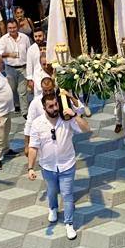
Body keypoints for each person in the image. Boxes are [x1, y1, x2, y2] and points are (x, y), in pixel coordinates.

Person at [27, 93, 91, 240]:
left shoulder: (66, 119)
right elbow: (33, 147)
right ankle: (53, 208)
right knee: (51, 190)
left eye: (56, 104)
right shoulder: (38, 124)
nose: (55, 108)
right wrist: (30, 168)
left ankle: (69, 224)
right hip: (48, 167)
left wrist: (75, 115)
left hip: (67, 165)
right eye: (51, 106)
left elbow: (87, 129)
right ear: (44, 107)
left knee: (67, 195)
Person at [0, 20, 31, 114]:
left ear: (18, 27)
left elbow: (29, 52)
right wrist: (8, 54)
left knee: (22, 91)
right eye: (10, 28)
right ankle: (16, 105)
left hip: (23, 67)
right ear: (7, 29)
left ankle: (25, 112)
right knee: (12, 89)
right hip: (10, 68)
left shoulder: (24, 38)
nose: (12, 30)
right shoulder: (4, 39)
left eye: (14, 27)